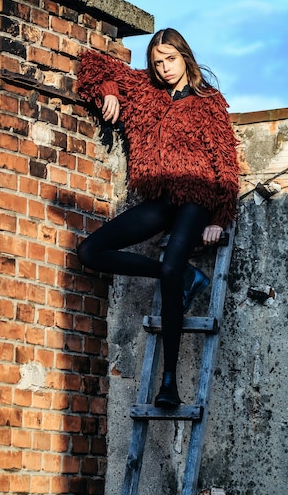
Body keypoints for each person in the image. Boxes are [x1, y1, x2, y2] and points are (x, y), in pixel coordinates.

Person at [76, 28, 239, 408]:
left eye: (170, 59)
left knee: (169, 266)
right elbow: (91, 64)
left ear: (185, 57)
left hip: (197, 199)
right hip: (160, 199)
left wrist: (220, 218)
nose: (164, 68)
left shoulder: (207, 102)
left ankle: (169, 384)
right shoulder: (145, 91)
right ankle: (183, 275)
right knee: (90, 251)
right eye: (157, 61)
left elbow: (226, 166)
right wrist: (111, 90)